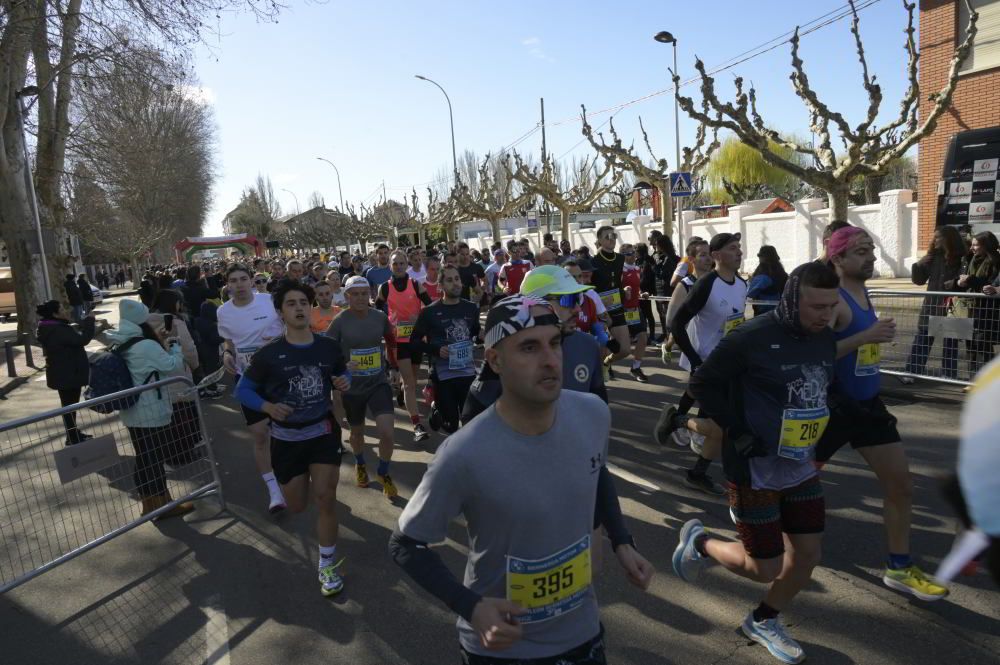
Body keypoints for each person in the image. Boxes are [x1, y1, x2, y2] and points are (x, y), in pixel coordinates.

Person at [390, 295, 653, 664]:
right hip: (502, 651)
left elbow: (597, 469)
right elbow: (405, 544)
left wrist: (622, 540)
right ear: (495, 360)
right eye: (529, 347)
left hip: (584, 636)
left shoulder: (592, 413)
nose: (549, 360)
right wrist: (472, 607)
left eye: (555, 343)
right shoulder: (463, 453)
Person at [674, 262, 841, 665]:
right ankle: (699, 542)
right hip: (755, 468)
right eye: (817, 306)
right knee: (764, 568)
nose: (825, 315)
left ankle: (763, 619)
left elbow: (820, 391)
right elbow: (701, 384)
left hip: (799, 465)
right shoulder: (752, 337)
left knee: (807, 555)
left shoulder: (825, 338)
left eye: (831, 306)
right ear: (792, 300)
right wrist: (736, 429)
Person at [815, 227, 948, 601]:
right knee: (793, 483)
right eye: (860, 251)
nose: (870, 256)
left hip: (870, 407)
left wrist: (868, 337)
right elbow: (816, 355)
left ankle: (900, 566)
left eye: (871, 249)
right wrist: (865, 337)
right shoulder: (833, 301)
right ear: (837, 258)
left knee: (900, 485)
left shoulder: (862, 291)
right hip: (834, 407)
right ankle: (754, 511)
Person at [236, 281, 350, 596]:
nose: (299, 308)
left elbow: (343, 372)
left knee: (326, 497)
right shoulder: (269, 354)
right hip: (286, 440)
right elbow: (242, 390)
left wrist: (344, 381)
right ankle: (294, 489)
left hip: (323, 431)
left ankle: (327, 565)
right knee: (298, 505)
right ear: (280, 312)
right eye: (291, 303)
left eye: (303, 302)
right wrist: (268, 406)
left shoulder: (327, 346)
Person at [655, 232, 747, 495]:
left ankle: (695, 462)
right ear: (717, 256)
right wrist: (696, 361)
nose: (739, 252)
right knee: (722, 426)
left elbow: (735, 325)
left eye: (739, 247)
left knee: (727, 424)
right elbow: (677, 323)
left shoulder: (742, 285)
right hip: (708, 364)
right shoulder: (707, 284)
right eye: (732, 248)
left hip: (731, 365)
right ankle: (681, 426)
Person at [462, 265, 607, 423]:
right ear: (537, 304)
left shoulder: (588, 345)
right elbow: (472, 416)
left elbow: (599, 409)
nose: (578, 308)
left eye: (578, 298)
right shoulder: (509, 349)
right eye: (568, 300)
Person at [105, 299, 194, 520]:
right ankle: (163, 504)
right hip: (152, 410)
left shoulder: (120, 341)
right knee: (154, 458)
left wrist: (159, 342)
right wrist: (174, 345)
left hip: (132, 410)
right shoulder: (146, 345)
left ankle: (151, 504)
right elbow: (172, 367)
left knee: (144, 457)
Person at [217, 263, 287, 513]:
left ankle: (289, 473)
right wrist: (227, 352)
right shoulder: (223, 311)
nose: (239, 284)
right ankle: (274, 490)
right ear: (228, 285)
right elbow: (228, 339)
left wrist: (278, 340)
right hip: (247, 378)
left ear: (251, 281)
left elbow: (291, 325)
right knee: (260, 434)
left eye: (243, 279)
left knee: (284, 428)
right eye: (233, 280)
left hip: (278, 375)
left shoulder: (269, 301)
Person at [327, 276, 400, 497]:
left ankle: (384, 472)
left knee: (387, 433)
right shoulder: (340, 320)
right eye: (355, 294)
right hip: (352, 387)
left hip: (378, 382)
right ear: (347, 296)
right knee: (357, 433)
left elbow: (390, 339)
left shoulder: (379, 317)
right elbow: (328, 351)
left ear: (370, 294)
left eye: (364, 293)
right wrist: (341, 367)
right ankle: (360, 463)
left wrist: (394, 367)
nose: (360, 298)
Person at [410, 265, 482, 433]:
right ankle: (437, 409)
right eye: (449, 280)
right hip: (443, 376)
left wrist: (481, 335)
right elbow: (414, 341)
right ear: (440, 285)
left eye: (457, 279)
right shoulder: (429, 312)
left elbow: (475, 333)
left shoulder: (471, 308)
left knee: (470, 422)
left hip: (467, 373)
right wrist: (436, 350)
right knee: (450, 424)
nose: (455, 283)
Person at [377, 250, 433, 443]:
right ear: (390, 266)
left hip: (416, 339)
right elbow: (377, 311)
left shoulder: (416, 285)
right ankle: (417, 425)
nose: (399, 267)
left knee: (411, 380)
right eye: (395, 264)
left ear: (406, 264)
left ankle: (401, 390)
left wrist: (420, 318)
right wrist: (388, 324)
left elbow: (430, 308)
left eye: (401, 263)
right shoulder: (384, 288)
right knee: (410, 383)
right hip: (399, 341)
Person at [903, 225, 966, 382]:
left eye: (938, 237)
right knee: (923, 337)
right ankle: (912, 371)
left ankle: (949, 374)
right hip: (932, 303)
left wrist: (955, 282)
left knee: (951, 340)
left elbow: (964, 278)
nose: (934, 240)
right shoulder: (933, 256)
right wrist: (919, 264)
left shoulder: (962, 257)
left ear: (948, 239)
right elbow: (918, 280)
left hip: (953, 305)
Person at [36, 300, 98, 445]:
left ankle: (72, 432)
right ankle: (71, 435)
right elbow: (82, 339)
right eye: (62, 308)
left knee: (69, 406)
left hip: (63, 372)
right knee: (70, 406)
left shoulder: (51, 327)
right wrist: (90, 320)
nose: (66, 310)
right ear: (54, 314)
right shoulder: (58, 329)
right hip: (68, 374)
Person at [957, 231, 1000, 374]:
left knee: (983, 344)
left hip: (987, 310)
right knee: (971, 344)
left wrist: (970, 280)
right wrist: (959, 282)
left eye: (976, 245)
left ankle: (985, 381)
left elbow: (990, 284)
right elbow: (963, 277)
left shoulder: (995, 261)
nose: (972, 248)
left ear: (986, 245)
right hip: (969, 307)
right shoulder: (970, 259)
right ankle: (973, 378)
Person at [591, 226, 632, 375]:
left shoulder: (620, 258)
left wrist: (624, 291)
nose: (611, 239)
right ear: (600, 240)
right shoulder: (593, 262)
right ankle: (596, 379)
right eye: (607, 237)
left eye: (613, 236)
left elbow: (617, 282)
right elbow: (589, 288)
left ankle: (607, 362)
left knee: (625, 350)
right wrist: (600, 301)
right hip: (599, 311)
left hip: (617, 308)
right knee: (600, 348)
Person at [619, 244, 649, 382]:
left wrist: (642, 293)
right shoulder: (619, 270)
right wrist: (623, 291)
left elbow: (637, 287)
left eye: (633, 252)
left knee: (643, 337)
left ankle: (636, 368)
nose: (632, 255)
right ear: (622, 256)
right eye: (628, 253)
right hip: (622, 311)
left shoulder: (637, 269)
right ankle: (606, 363)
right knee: (618, 344)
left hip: (635, 310)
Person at [747, 246, 788, 315]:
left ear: (763, 258)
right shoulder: (782, 273)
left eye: (760, 256)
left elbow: (750, 293)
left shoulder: (763, 276)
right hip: (780, 312)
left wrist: (750, 282)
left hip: (763, 313)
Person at [636, 242, 659, 342]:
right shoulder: (638, 261)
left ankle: (652, 335)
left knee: (648, 313)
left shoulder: (647, 261)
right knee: (642, 314)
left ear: (638, 251)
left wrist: (642, 289)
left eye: (635, 251)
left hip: (646, 290)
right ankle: (644, 335)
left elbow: (645, 277)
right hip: (641, 290)